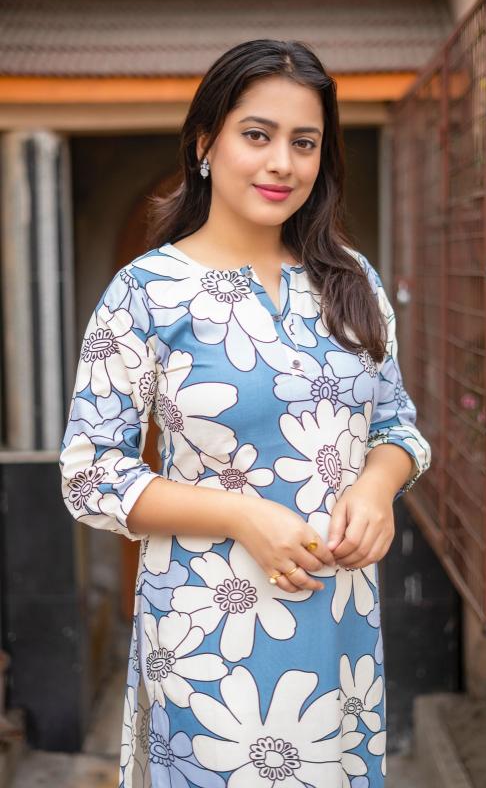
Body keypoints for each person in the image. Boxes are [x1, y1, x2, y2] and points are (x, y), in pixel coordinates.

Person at [59, 38, 431, 788]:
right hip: (207, 636)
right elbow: (89, 475)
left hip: (339, 623)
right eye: (257, 135)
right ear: (205, 144)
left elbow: (396, 426)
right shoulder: (145, 293)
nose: (281, 163)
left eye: (304, 143)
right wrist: (240, 516)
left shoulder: (350, 280)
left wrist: (375, 486)